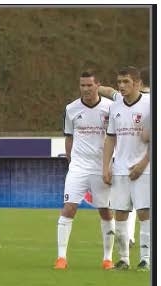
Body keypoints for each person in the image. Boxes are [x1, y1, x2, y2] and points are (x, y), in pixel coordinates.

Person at [55, 70, 116, 270]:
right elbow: (69, 137)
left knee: (106, 211)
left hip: (102, 166)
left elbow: (116, 138)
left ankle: (107, 258)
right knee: (68, 208)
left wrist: (111, 164)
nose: (86, 89)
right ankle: (61, 258)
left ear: (98, 85)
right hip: (78, 167)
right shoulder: (71, 109)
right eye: (82, 85)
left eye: (90, 85)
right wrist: (72, 162)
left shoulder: (110, 108)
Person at [102, 66, 151, 271]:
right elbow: (110, 139)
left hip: (145, 169)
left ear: (138, 83)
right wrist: (106, 166)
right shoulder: (115, 107)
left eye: (126, 82)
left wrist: (142, 164)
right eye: (119, 82)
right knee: (120, 214)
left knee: (145, 213)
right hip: (121, 169)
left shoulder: (150, 105)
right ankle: (123, 259)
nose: (121, 86)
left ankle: (146, 259)